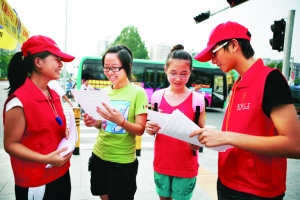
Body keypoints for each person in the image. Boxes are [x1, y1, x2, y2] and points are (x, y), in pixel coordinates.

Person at [190, 21, 300, 199]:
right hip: (227, 183)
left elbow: (295, 145)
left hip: (256, 191)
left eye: (214, 52)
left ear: (233, 45)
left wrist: (227, 137)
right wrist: (210, 139)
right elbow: (242, 134)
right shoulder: (238, 84)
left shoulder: (270, 80)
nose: (212, 59)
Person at [3, 35, 75, 199]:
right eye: (56, 59)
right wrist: (44, 159)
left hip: (61, 173)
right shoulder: (18, 101)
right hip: (36, 181)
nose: (61, 64)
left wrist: (65, 133)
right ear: (38, 62)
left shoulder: (53, 93)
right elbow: (10, 144)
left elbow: (52, 127)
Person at [83, 44, 148, 200]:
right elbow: (103, 124)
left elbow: (140, 129)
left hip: (122, 162)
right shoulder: (103, 92)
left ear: (128, 67)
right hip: (99, 155)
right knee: (102, 194)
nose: (110, 72)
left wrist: (122, 122)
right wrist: (94, 122)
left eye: (115, 68)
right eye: (106, 68)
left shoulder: (138, 93)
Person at [145, 44, 205, 200]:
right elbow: (154, 126)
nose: (178, 79)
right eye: (173, 73)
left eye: (184, 74)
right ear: (165, 70)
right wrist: (150, 128)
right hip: (162, 162)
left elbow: (202, 134)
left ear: (191, 72)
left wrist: (198, 142)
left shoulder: (197, 100)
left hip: (186, 164)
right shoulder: (157, 97)